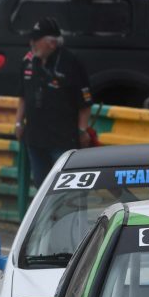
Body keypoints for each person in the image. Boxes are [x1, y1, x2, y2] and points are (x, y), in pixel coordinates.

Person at [14, 17, 93, 189]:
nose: (32, 43)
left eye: (36, 40)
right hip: (34, 139)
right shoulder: (27, 61)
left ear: (51, 43)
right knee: (42, 188)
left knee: (65, 189)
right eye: (31, 39)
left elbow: (85, 103)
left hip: (62, 141)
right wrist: (18, 122)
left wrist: (82, 130)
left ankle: (69, 217)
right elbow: (22, 96)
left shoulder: (71, 62)